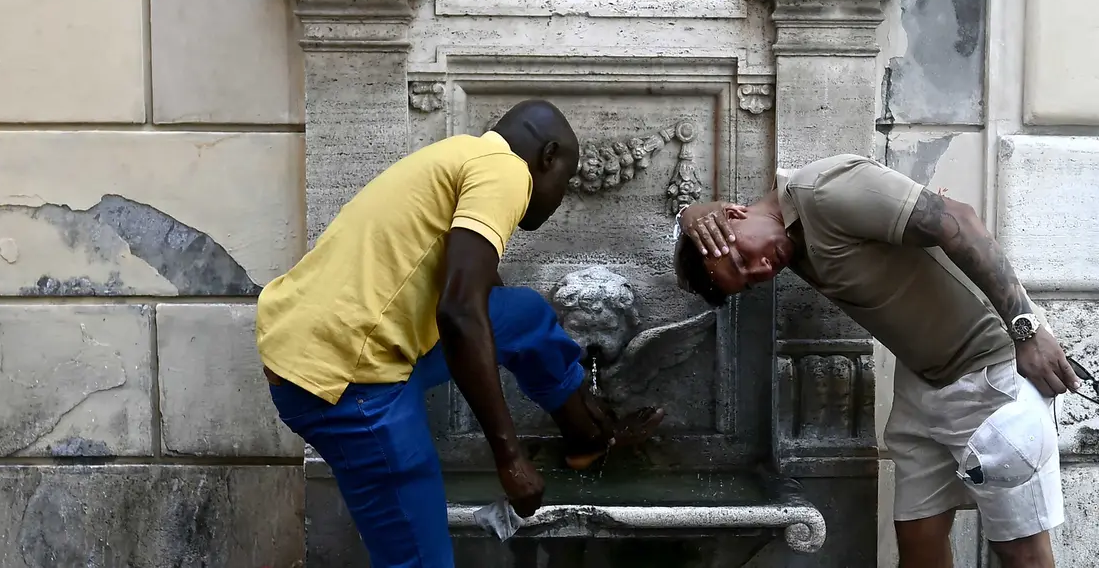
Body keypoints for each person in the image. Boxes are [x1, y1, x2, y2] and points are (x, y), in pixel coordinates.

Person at [256, 99, 664, 568]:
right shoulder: (508, 174)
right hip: (347, 383)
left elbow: (481, 294)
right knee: (420, 561)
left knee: (523, 314)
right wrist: (509, 458)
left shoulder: (462, 154)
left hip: (313, 342)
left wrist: (573, 393)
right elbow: (458, 313)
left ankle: (586, 437)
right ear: (547, 157)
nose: (558, 197)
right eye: (565, 183)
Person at [673, 153, 1077, 568]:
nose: (761, 268)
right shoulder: (786, 234)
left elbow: (959, 220)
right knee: (919, 550)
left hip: (992, 372)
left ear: (735, 215)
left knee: (1021, 553)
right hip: (924, 384)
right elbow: (706, 228)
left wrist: (1026, 330)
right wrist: (689, 212)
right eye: (749, 280)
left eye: (743, 258)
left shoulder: (824, 192)